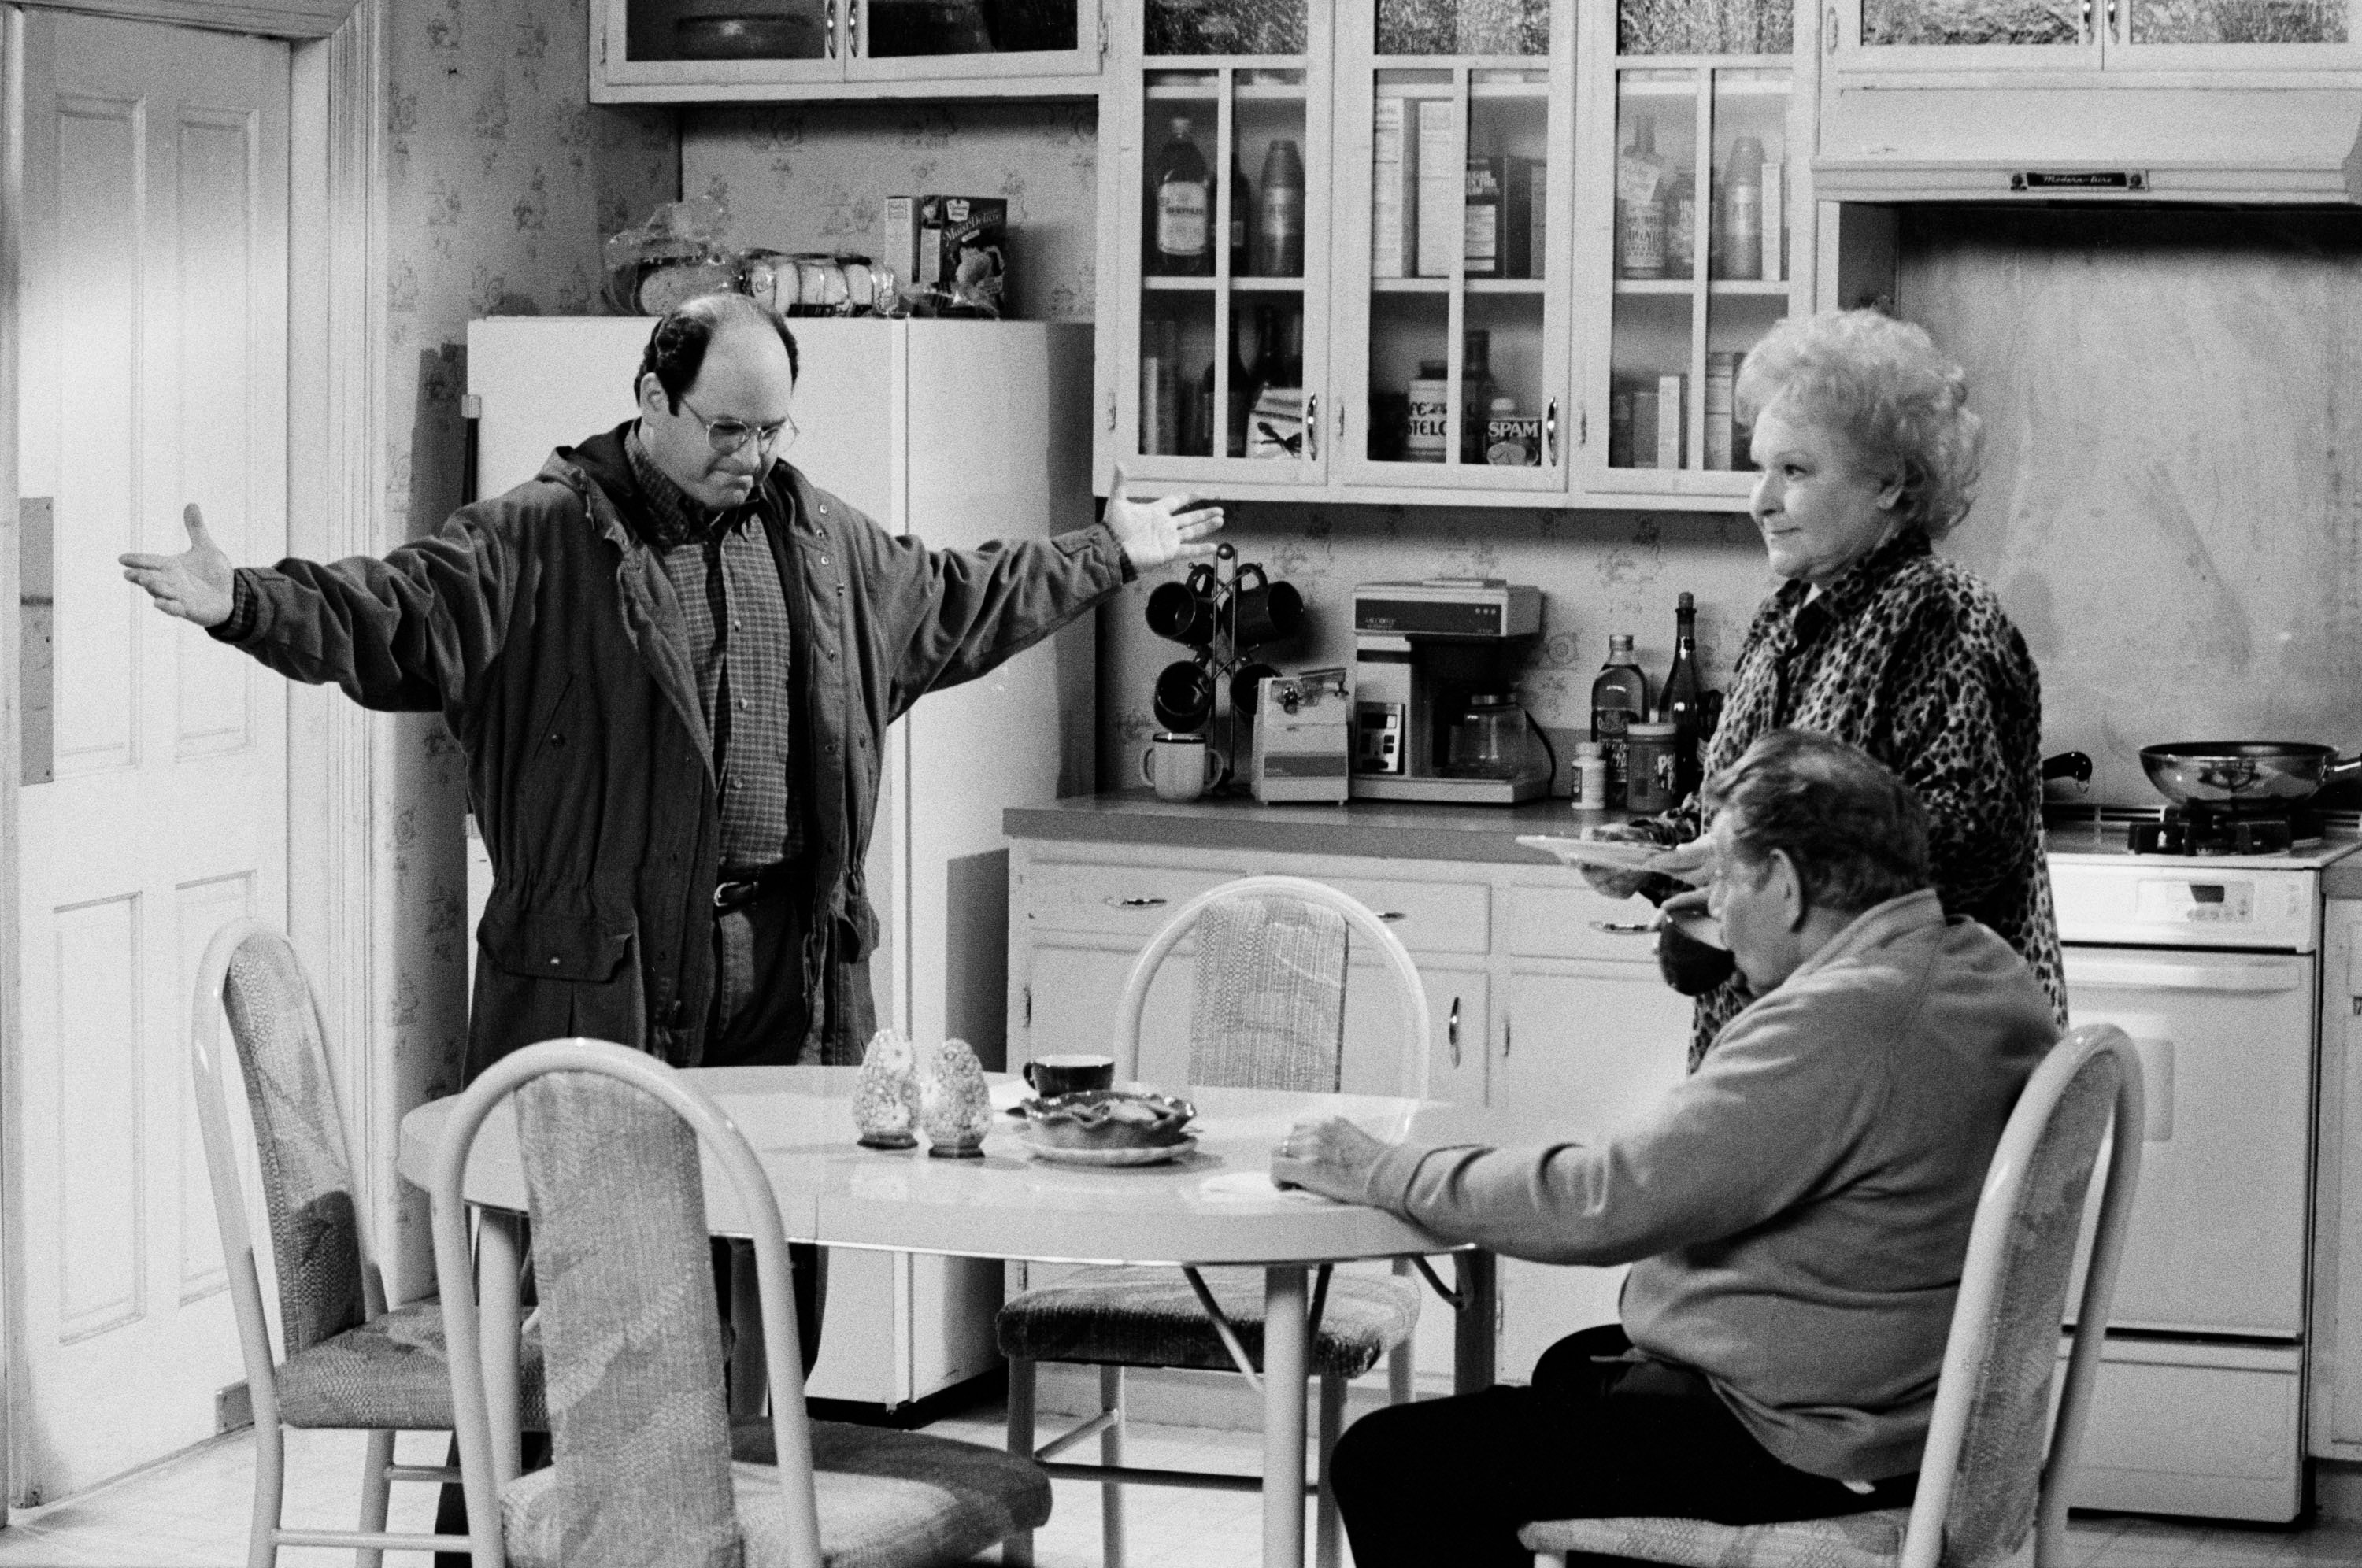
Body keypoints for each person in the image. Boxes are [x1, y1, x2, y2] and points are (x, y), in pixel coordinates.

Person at [120, 291, 1220, 1557]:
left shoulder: (816, 540)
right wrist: (245, 603)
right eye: (727, 429)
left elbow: (960, 597)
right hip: (600, 991)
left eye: (771, 430)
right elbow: (391, 613)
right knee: (579, 1306)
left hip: (786, 985)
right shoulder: (532, 541)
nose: (751, 456)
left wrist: (1110, 552)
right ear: (651, 399)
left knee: (759, 1302)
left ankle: (719, 1543)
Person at [1272, 730, 2059, 1568]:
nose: (1710, 904)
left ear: (1786, 884)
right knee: (1573, 1370)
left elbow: (1602, 1202)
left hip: (1810, 1440)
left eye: (1722, 876)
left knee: (1394, 1463)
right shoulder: (1978, 967)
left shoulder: (1840, 1024)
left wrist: (1382, 1169)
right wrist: (1750, 934)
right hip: (1910, 1410)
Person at [1597, 308, 2064, 1068]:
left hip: (1898, 1058)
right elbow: (1731, 806)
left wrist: (1759, 867)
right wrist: (1646, 852)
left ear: (1891, 483)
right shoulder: (1786, 614)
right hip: (1782, 1051)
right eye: (1760, 468)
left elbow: (1967, 846)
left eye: (1797, 471)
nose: (1762, 499)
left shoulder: (1941, 616)